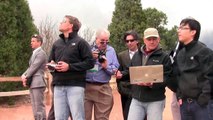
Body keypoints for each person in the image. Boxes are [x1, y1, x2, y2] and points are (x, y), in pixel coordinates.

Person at [48, 15, 94, 120]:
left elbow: (90, 63)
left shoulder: (81, 43)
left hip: (75, 86)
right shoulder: (56, 43)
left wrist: (70, 67)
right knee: (59, 117)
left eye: (63, 21)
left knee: (77, 117)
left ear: (71, 25)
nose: (60, 22)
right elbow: (50, 61)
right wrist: (52, 65)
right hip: (58, 86)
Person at [127, 28, 172, 120]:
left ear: (158, 39)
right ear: (144, 40)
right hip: (137, 99)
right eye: (149, 39)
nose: (152, 42)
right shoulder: (137, 55)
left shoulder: (165, 57)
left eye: (154, 39)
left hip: (155, 100)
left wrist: (153, 84)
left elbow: (168, 78)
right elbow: (130, 72)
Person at [173, 17, 213, 120]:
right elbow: (179, 76)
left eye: (183, 28)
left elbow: (210, 77)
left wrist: (203, 99)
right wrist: (179, 96)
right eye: (179, 28)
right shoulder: (180, 53)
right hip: (185, 105)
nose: (179, 31)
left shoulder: (204, 52)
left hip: (201, 105)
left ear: (193, 32)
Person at [84, 29, 119, 120]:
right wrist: (90, 58)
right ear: (96, 39)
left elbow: (115, 68)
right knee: (83, 117)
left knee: (102, 118)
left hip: (103, 88)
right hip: (86, 87)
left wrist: (106, 66)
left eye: (107, 41)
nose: (104, 44)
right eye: (102, 41)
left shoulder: (111, 50)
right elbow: (79, 65)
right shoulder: (87, 48)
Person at [21, 34, 47, 120]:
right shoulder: (34, 53)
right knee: (34, 106)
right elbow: (31, 67)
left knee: (39, 106)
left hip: (38, 82)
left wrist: (26, 76)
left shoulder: (41, 53)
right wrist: (24, 74)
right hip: (33, 83)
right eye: (31, 41)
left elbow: (34, 67)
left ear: (39, 42)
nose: (31, 43)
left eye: (33, 41)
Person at [115, 30, 140, 120]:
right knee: (127, 115)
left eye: (131, 40)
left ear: (137, 41)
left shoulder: (143, 54)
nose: (129, 43)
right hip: (126, 91)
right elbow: (118, 73)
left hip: (141, 90)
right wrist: (121, 89)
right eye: (127, 41)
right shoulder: (121, 55)